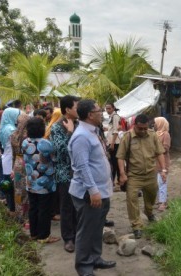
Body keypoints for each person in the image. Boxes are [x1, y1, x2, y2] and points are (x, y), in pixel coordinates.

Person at [68, 99, 116, 275]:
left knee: (96, 228)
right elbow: (82, 166)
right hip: (89, 193)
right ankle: (84, 267)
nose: (102, 113)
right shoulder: (81, 136)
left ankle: (95, 258)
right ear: (89, 115)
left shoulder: (92, 132)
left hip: (100, 191)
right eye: (99, 110)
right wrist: (93, 191)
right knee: (87, 230)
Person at [117, 114, 166, 239]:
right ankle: (136, 226)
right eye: (140, 129)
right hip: (134, 176)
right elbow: (120, 156)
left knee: (151, 196)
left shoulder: (153, 135)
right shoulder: (127, 137)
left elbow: (160, 153)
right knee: (132, 200)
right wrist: (122, 174)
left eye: (145, 128)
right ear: (135, 126)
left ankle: (149, 212)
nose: (143, 131)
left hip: (150, 174)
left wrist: (163, 170)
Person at [22, 117, 60, 244]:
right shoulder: (47, 144)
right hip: (45, 182)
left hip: (31, 180)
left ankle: (34, 233)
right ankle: (44, 236)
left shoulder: (25, 142)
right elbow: (54, 160)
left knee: (33, 207)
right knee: (44, 208)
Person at [50, 95, 80, 253]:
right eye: (76, 107)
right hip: (65, 173)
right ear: (68, 109)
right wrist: (69, 133)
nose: (79, 110)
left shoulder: (79, 124)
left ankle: (78, 235)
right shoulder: (57, 127)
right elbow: (60, 152)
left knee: (79, 206)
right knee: (67, 207)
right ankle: (68, 238)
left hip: (80, 172)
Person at [0, 107, 21, 213]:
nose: (18, 118)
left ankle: (10, 208)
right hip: (10, 159)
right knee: (12, 187)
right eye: (17, 116)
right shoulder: (11, 129)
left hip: (6, 158)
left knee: (8, 184)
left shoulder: (4, 126)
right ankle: (12, 209)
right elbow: (16, 145)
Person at [10, 113, 30, 223]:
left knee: (18, 190)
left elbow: (13, 154)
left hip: (17, 162)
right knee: (27, 192)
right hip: (27, 163)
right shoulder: (29, 136)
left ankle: (19, 215)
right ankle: (26, 217)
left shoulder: (13, 135)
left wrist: (13, 167)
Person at [154, 117, 171, 211]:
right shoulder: (155, 134)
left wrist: (155, 150)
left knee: (162, 182)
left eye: (156, 123)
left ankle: (162, 203)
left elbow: (166, 149)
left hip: (163, 162)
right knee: (157, 183)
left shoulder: (166, 134)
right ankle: (161, 200)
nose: (155, 124)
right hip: (155, 162)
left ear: (160, 123)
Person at [106, 103, 121, 189]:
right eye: (107, 109)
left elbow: (115, 131)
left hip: (115, 143)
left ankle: (116, 182)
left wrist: (112, 143)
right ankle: (116, 182)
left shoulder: (115, 116)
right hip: (112, 142)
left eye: (109, 108)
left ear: (113, 108)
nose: (108, 110)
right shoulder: (111, 117)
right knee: (114, 163)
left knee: (115, 163)